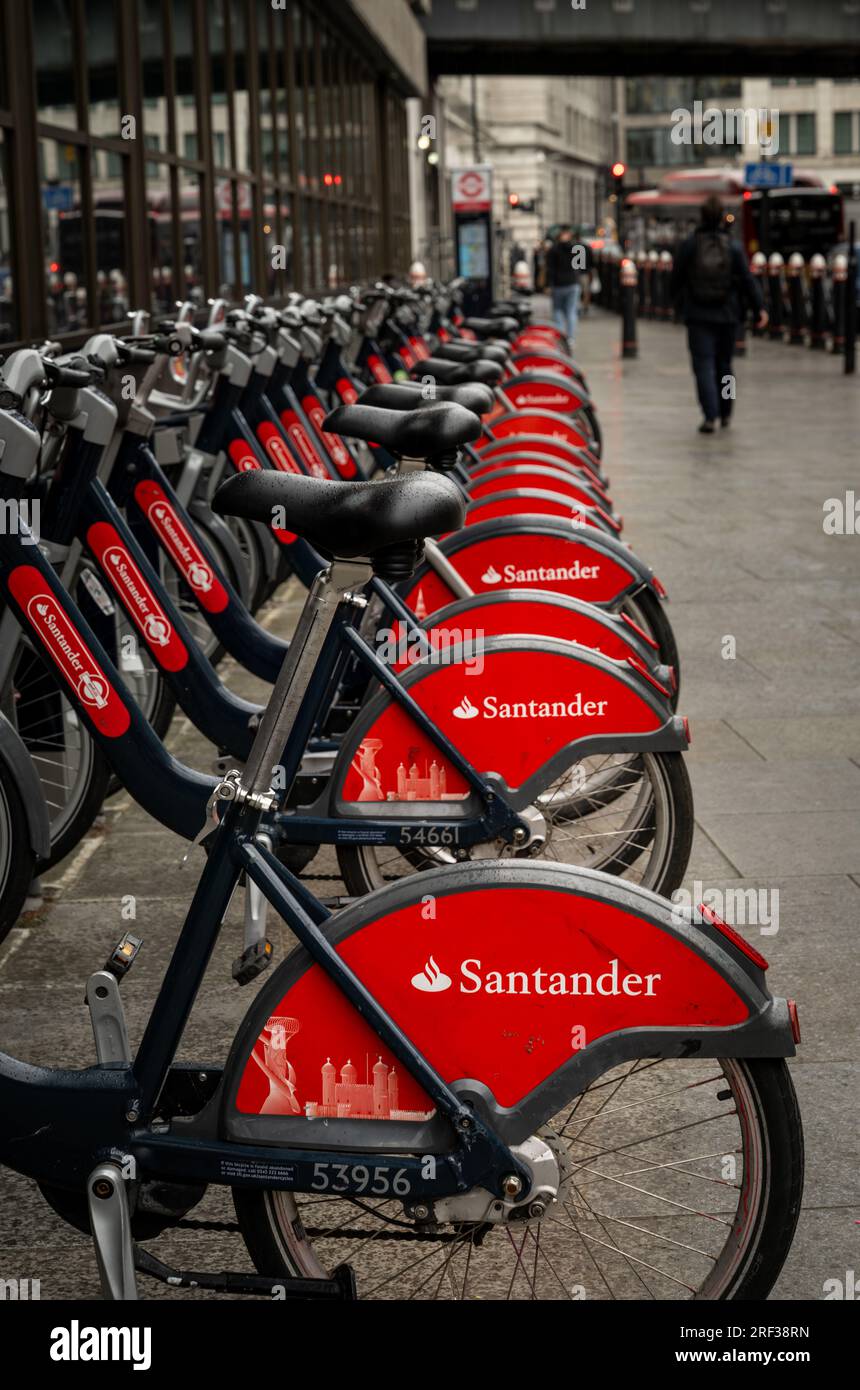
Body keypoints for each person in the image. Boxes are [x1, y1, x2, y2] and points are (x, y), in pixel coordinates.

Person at [670, 194, 768, 434]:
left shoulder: (690, 245)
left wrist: (678, 306)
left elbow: (676, 279)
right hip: (728, 315)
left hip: (698, 315)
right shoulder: (733, 246)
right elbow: (747, 280)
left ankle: (710, 415)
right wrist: (759, 308)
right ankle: (726, 412)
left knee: (703, 367)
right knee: (725, 366)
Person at [545, 226, 583, 344]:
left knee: (558, 311)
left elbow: (550, 269)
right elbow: (580, 267)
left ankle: (560, 337)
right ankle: (570, 338)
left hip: (558, 284)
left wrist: (548, 284)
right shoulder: (577, 248)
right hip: (573, 283)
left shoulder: (553, 249)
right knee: (571, 311)